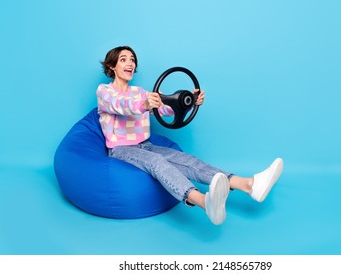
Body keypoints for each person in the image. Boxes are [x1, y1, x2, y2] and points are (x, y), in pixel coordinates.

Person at [96, 45, 284, 225]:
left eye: (132, 60)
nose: (130, 63)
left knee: (185, 159)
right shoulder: (105, 91)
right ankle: (203, 201)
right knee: (157, 163)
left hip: (146, 144)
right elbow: (119, 105)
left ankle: (249, 185)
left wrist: (188, 101)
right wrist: (143, 104)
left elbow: (163, 111)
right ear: (112, 66)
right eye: (123, 59)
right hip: (120, 149)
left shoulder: (140, 92)